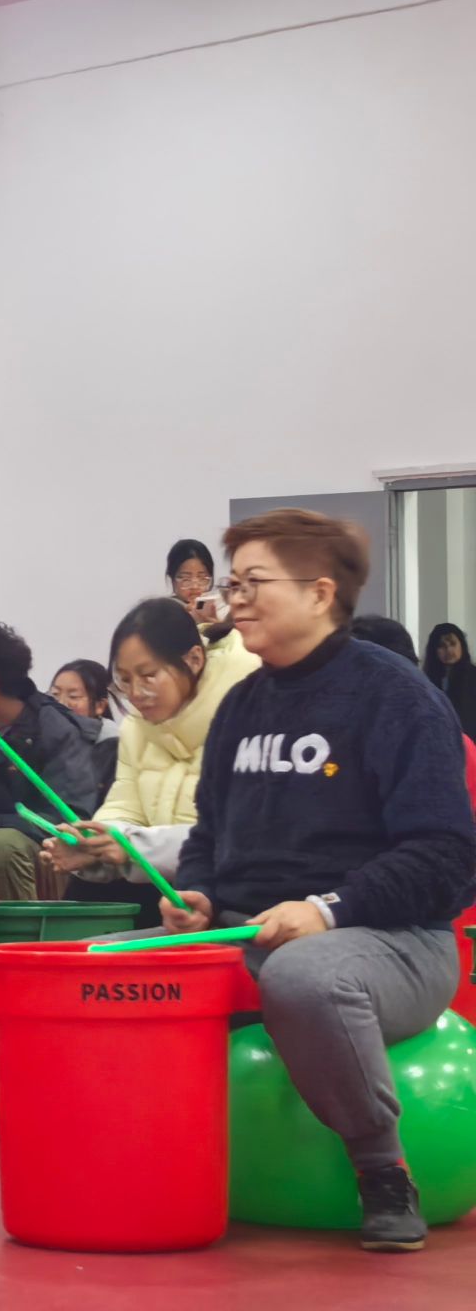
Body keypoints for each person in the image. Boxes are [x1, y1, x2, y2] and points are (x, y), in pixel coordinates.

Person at [160, 510, 476, 1251]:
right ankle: (147, 1164)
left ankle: (383, 1169)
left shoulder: (395, 696)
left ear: (320, 593)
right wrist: (199, 893)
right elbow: (209, 834)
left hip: (394, 941)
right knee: (99, 969)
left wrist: (328, 910)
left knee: (304, 977)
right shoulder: (240, 706)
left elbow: (446, 856)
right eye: (232, 584)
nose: (233, 600)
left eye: (253, 583)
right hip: (248, 934)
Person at [41, 598, 259, 927]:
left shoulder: (245, 713)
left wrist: (130, 847)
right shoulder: (136, 728)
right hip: (157, 878)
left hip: (221, 891)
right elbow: (125, 807)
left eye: (148, 676)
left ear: (194, 660)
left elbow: (228, 836)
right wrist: (94, 844)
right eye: (124, 680)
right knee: (83, 903)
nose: (136, 693)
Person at [0, 616, 103, 900]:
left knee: (5, 843)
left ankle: (25, 929)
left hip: (55, 865)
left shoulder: (56, 730)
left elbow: (72, 821)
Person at [51, 658, 120, 803]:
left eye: (73, 697)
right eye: (55, 694)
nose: (60, 704)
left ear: (99, 706)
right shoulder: (43, 735)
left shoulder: (114, 746)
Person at [424, 623, 476, 739]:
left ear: (461, 645)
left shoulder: (473, 675)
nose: (448, 650)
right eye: (441, 646)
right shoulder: (429, 679)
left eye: (453, 644)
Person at [167, 538, 221, 624]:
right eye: (186, 579)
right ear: (172, 579)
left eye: (202, 578)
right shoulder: (164, 613)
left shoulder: (220, 609)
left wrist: (216, 627)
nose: (195, 586)